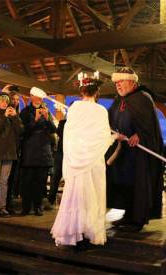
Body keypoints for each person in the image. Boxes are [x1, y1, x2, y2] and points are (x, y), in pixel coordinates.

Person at [51, 78, 117, 247]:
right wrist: (115, 137)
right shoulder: (101, 110)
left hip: (76, 159)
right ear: (97, 92)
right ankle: (89, 233)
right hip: (94, 160)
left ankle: (73, 234)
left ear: (81, 92)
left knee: (76, 196)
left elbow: (69, 135)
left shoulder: (74, 109)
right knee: (92, 195)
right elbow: (102, 137)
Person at [107, 67, 164, 232]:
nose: (118, 85)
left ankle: (137, 219)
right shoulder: (118, 101)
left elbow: (150, 126)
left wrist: (140, 135)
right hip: (122, 151)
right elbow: (109, 120)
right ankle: (127, 215)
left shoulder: (143, 98)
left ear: (132, 82)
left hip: (138, 153)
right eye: (116, 82)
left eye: (121, 81)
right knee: (123, 184)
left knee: (137, 184)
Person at [20, 87, 56, 216]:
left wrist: (46, 118)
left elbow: (53, 130)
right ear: (31, 97)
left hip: (43, 153)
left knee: (40, 183)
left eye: (41, 98)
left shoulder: (47, 112)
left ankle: (38, 206)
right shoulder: (25, 112)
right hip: (29, 153)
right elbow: (23, 132)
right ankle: (25, 207)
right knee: (27, 182)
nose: (39, 100)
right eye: (37, 97)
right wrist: (35, 120)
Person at [0, 92, 23, 216]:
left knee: (4, 182)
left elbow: (20, 131)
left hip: (9, 153)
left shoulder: (12, 116)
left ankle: (2, 207)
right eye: (1, 101)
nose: (4, 103)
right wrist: (4, 117)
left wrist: (15, 117)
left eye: (6, 101)